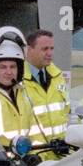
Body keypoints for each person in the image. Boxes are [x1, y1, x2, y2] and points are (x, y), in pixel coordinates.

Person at [20, 30, 69, 158]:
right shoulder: (17, 80)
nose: (50, 53)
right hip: (33, 157)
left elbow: (67, 113)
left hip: (62, 156)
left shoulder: (58, 76)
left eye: (51, 48)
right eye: (44, 49)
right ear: (29, 49)